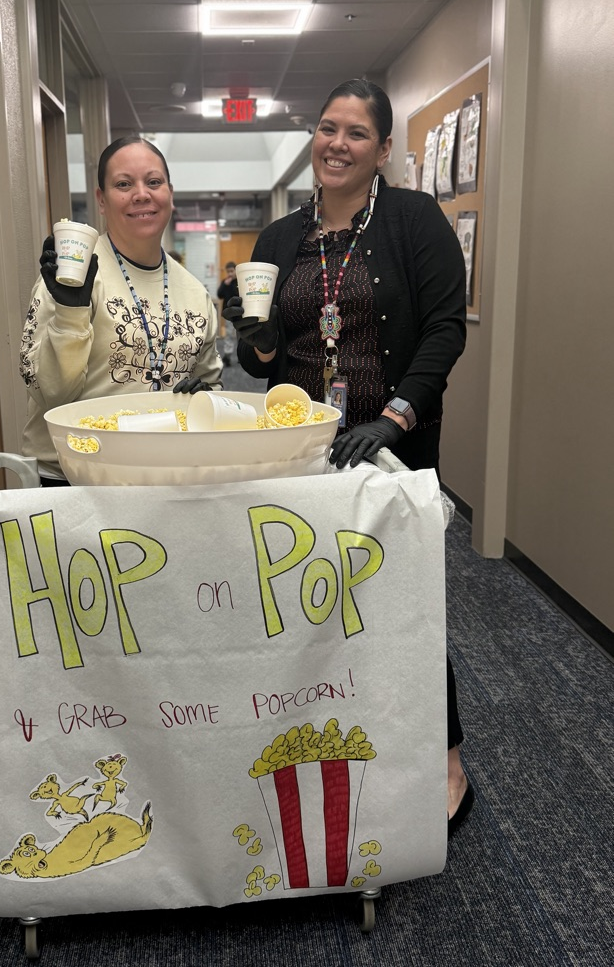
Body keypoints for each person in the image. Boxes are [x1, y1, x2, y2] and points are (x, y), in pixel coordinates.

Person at [223, 78, 473, 837]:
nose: (336, 143)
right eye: (327, 127)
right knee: (305, 602)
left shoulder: (411, 220)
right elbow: (266, 361)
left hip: (386, 450)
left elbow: (443, 331)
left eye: (355, 134)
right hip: (298, 452)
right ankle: (314, 740)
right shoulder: (278, 238)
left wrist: (395, 419)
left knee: (402, 603)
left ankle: (446, 756)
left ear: (383, 150)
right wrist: (253, 329)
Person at [19, 136, 223, 484]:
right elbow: (50, 394)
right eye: (124, 184)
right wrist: (70, 311)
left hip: (167, 476)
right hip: (73, 478)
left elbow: (212, 389)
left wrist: (205, 398)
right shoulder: (75, 275)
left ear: (169, 193)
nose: (141, 194)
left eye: (153, 182)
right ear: (101, 199)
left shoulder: (195, 293)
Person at [216, 261, 238, 365]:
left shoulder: (239, 281)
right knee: (229, 334)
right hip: (229, 313)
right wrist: (225, 285)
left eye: (232, 271)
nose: (230, 274)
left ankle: (242, 356)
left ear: (235, 271)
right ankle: (227, 356)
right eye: (228, 271)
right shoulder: (225, 282)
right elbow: (219, 295)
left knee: (241, 335)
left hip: (239, 313)